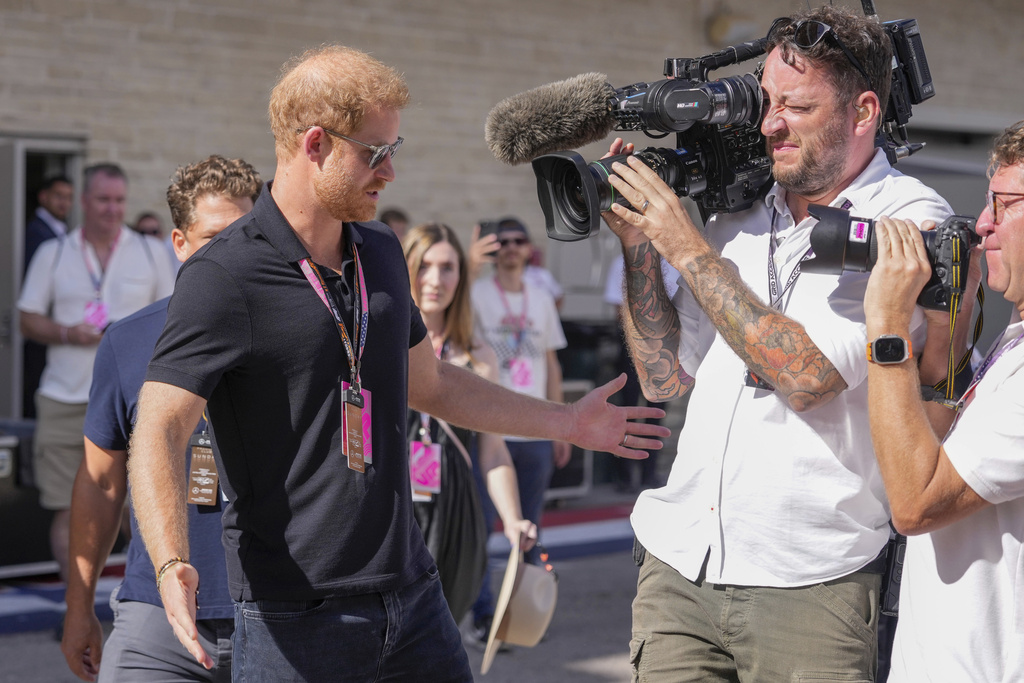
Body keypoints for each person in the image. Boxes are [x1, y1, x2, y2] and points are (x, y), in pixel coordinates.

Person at [127, 45, 668, 682]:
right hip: (294, 615)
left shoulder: (380, 250)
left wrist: (567, 421)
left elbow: (431, 383)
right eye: (375, 152)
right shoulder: (224, 275)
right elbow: (159, 426)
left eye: (395, 149)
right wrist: (170, 561)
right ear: (315, 144)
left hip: (413, 596)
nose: (390, 171)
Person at [600, 6, 955, 681]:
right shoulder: (734, 211)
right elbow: (665, 377)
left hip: (812, 581)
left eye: (797, 106)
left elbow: (809, 378)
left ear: (863, 112)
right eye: (767, 102)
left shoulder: (907, 219)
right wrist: (643, 248)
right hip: (680, 563)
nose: (769, 124)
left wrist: (687, 247)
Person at [60, 155, 261, 683]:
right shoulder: (127, 341)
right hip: (157, 618)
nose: (231, 253)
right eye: (214, 237)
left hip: (279, 617)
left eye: (245, 235)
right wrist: (79, 607)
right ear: (180, 243)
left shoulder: (299, 335)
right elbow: (101, 484)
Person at [863, 120, 1024, 683]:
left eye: (1004, 205)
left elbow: (914, 503)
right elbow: (931, 446)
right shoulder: (1014, 342)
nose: (983, 224)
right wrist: (950, 321)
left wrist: (886, 325)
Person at [18, 162, 174, 586]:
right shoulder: (54, 253)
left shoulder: (150, 252)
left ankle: (150, 601)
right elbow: (27, 318)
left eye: (119, 200)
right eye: (103, 199)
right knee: (69, 509)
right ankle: (78, 605)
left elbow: (173, 315)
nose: (112, 208)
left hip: (134, 399)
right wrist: (67, 333)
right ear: (84, 201)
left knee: (141, 506)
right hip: (64, 398)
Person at [402, 222, 537, 625]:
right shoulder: (377, 345)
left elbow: (493, 451)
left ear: (462, 276)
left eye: (447, 268)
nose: (435, 279)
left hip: (456, 514)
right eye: (424, 266)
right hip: (394, 511)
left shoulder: (478, 357)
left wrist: (512, 518)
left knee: (443, 632)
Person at [468, 216, 570, 639]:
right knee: (482, 528)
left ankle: (523, 618)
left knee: (530, 528)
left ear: (529, 248)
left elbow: (550, 363)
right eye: (503, 242)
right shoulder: (476, 293)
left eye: (518, 241)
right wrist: (470, 264)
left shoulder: (541, 297)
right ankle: (483, 616)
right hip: (491, 429)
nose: (510, 248)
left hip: (535, 429)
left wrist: (561, 425)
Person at [602, 254, 678, 492]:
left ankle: (649, 473)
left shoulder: (672, 262)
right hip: (633, 344)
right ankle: (626, 476)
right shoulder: (621, 261)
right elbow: (618, 308)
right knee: (628, 410)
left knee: (656, 412)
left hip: (664, 346)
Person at [23, 175, 75, 419]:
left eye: (69, 197)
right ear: (43, 197)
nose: (64, 203)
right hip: (43, 324)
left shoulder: (58, 231)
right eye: (58, 196)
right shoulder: (37, 234)